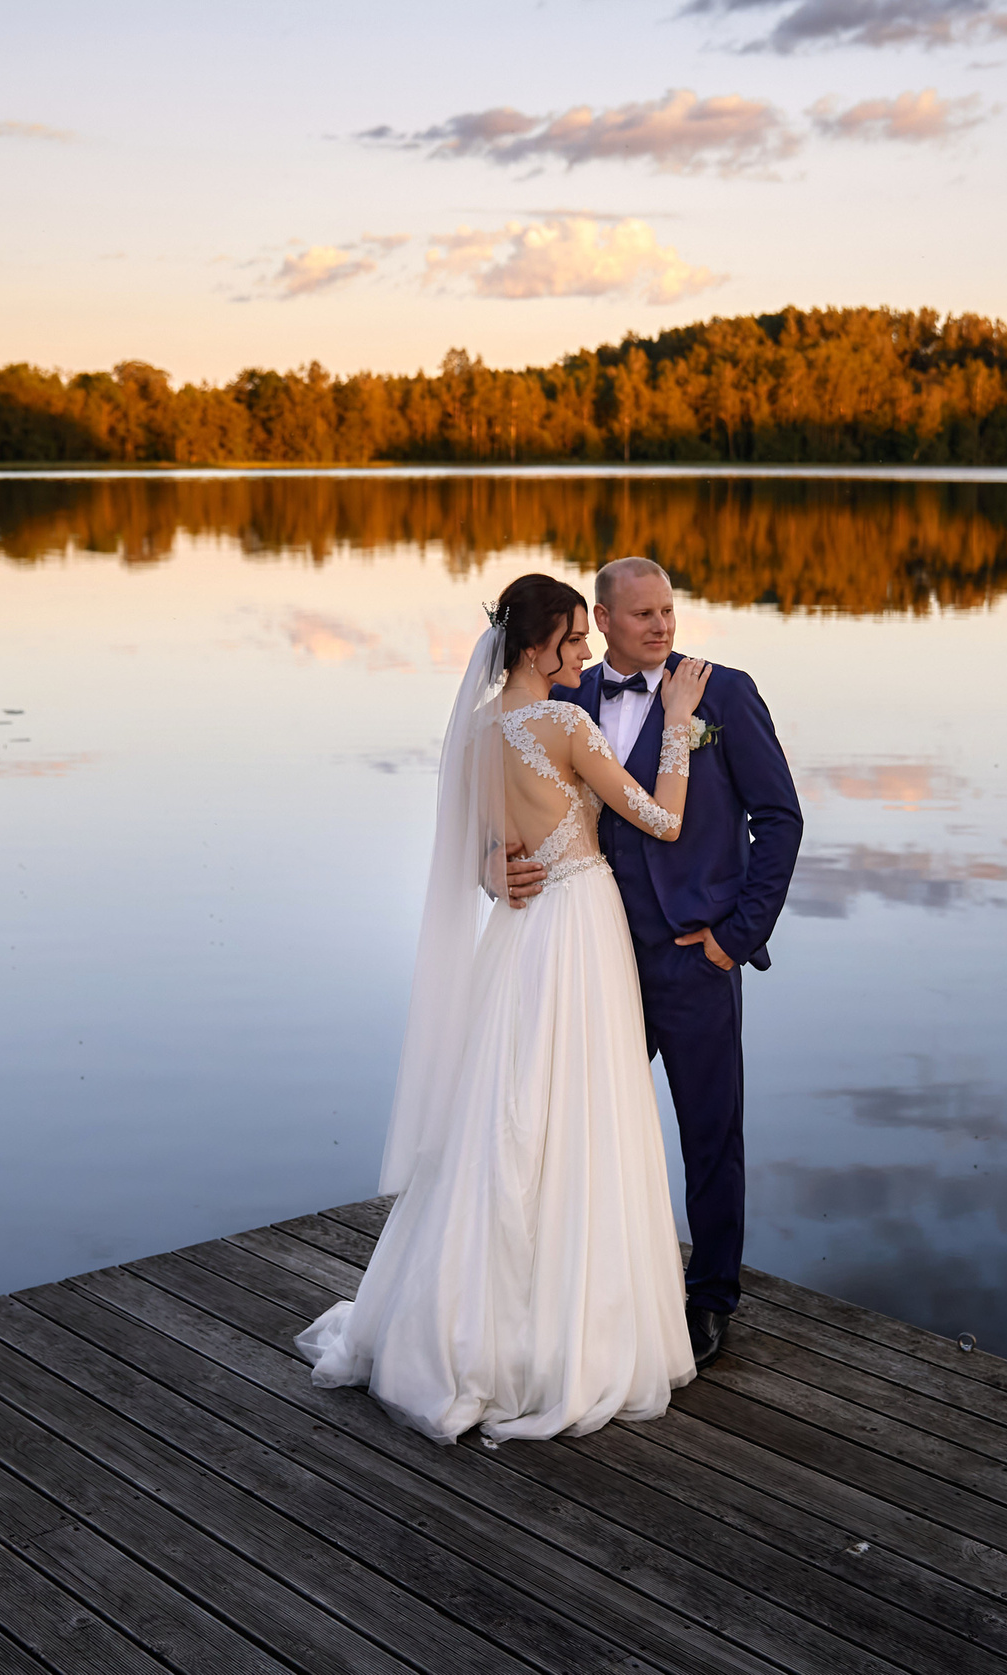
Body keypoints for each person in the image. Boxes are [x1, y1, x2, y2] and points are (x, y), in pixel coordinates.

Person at [296, 573, 713, 1443]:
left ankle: (459, 1312)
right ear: (537, 649)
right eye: (574, 640)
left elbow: (493, 848)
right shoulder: (564, 723)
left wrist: (494, 868)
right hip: (578, 925)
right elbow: (660, 821)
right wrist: (677, 726)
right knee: (580, 1108)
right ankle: (560, 1328)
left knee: (507, 1108)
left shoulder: (481, 732)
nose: (587, 653)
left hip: (520, 935)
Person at [520, 556, 802, 1370]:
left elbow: (780, 820)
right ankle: (579, 1281)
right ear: (600, 622)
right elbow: (525, 811)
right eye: (641, 614)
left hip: (693, 957)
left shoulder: (724, 693)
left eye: (668, 611)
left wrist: (733, 939)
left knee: (710, 1134)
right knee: (570, 1120)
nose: (662, 626)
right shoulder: (564, 696)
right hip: (597, 953)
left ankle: (710, 1298)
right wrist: (496, 866)